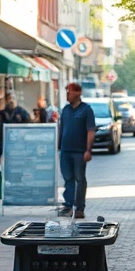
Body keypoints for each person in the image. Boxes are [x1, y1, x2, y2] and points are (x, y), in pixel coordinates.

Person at [56, 82, 95, 219]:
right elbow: (62, 128)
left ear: (77, 94)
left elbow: (90, 131)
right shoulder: (65, 110)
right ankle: (68, 205)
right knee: (68, 178)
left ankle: (79, 208)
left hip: (79, 151)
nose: (67, 94)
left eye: (69, 92)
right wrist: (58, 145)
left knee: (80, 179)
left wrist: (88, 150)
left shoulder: (86, 110)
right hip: (65, 151)